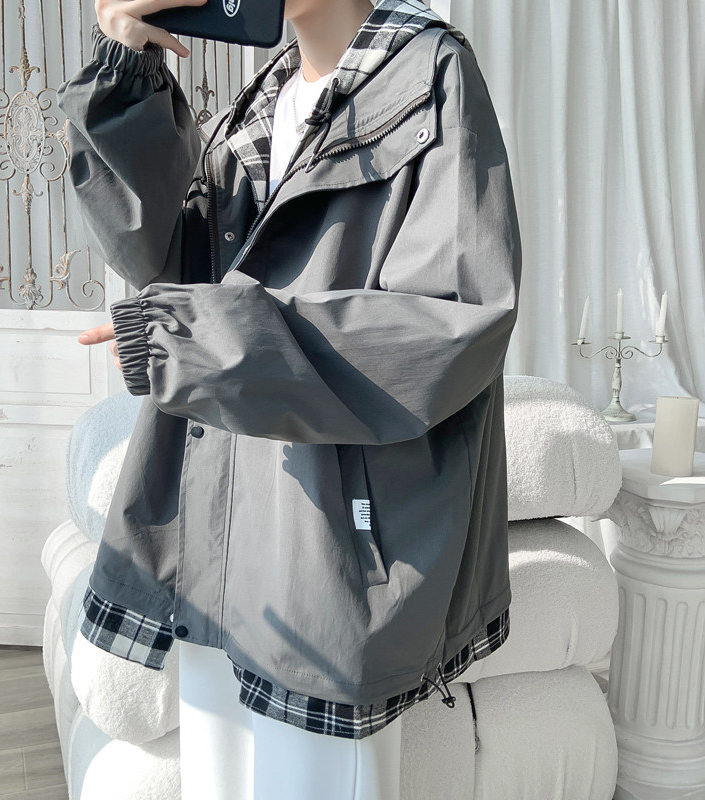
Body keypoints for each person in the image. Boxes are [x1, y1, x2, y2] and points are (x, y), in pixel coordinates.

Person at [57, 0, 521, 797]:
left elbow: (449, 328)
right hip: (218, 530)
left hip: (326, 548)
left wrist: (192, 338)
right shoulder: (266, 98)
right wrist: (125, 71)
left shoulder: (430, 73)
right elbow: (163, 257)